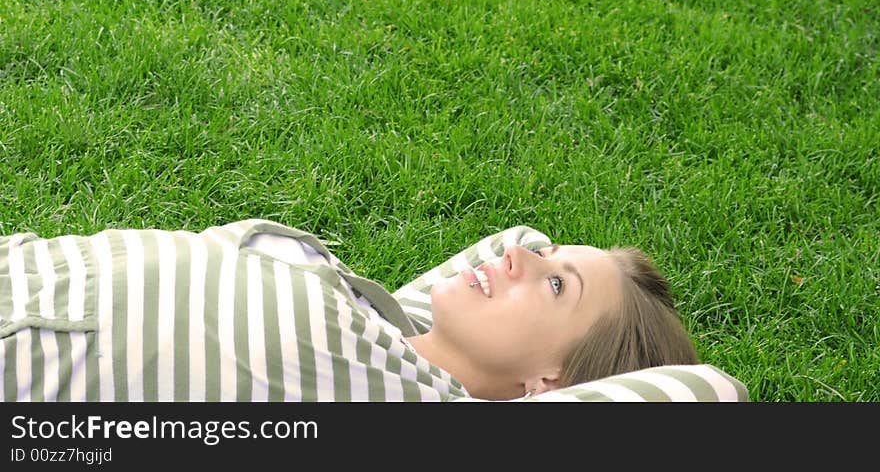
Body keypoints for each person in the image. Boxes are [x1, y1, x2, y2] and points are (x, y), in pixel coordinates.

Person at [0, 218, 698, 402]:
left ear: (548, 383)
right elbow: (519, 238)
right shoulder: (387, 321)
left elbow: (705, 393)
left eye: (555, 287)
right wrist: (550, 273)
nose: (521, 261)